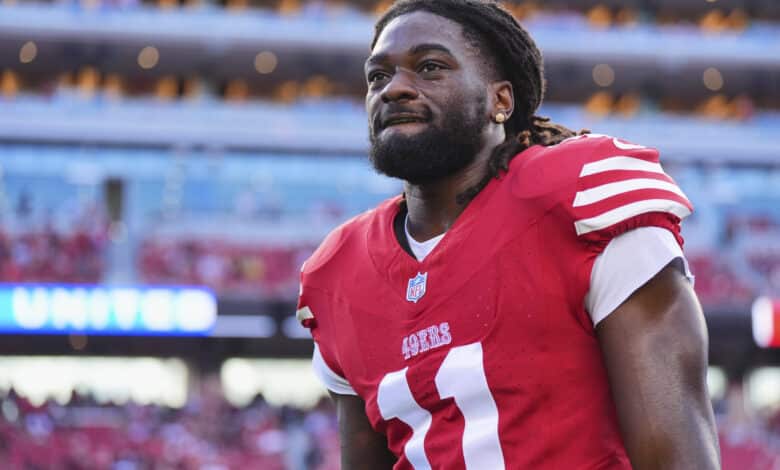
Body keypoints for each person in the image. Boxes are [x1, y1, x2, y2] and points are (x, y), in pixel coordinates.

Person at [296, 0, 720, 468]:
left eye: (430, 67)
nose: (394, 89)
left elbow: (677, 457)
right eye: (377, 77)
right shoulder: (338, 272)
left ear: (501, 100)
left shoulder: (579, 199)